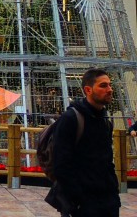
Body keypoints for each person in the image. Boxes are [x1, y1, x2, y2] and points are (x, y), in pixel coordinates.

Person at [46, 68, 120, 217]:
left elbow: (107, 160)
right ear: (88, 89)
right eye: (103, 85)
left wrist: (113, 191)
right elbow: (61, 164)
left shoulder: (105, 121)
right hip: (84, 204)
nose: (110, 89)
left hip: (108, 201)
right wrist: (78, 199)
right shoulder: (71, 119)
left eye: (110, 85)